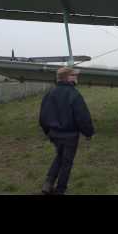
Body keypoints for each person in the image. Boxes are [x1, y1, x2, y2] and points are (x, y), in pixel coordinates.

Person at [39, 67, 95, 195]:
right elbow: (82, 117)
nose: (76, 77)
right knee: (66, 163)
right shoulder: (74, 94)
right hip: (70, 136)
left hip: (54, 134)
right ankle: (60, 190)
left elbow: (42, 116)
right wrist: (88, 133)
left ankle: (48, 184)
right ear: (68, 78)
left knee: (60, 156)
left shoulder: (50, 93)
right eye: (74, 75)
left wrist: (48, 131)